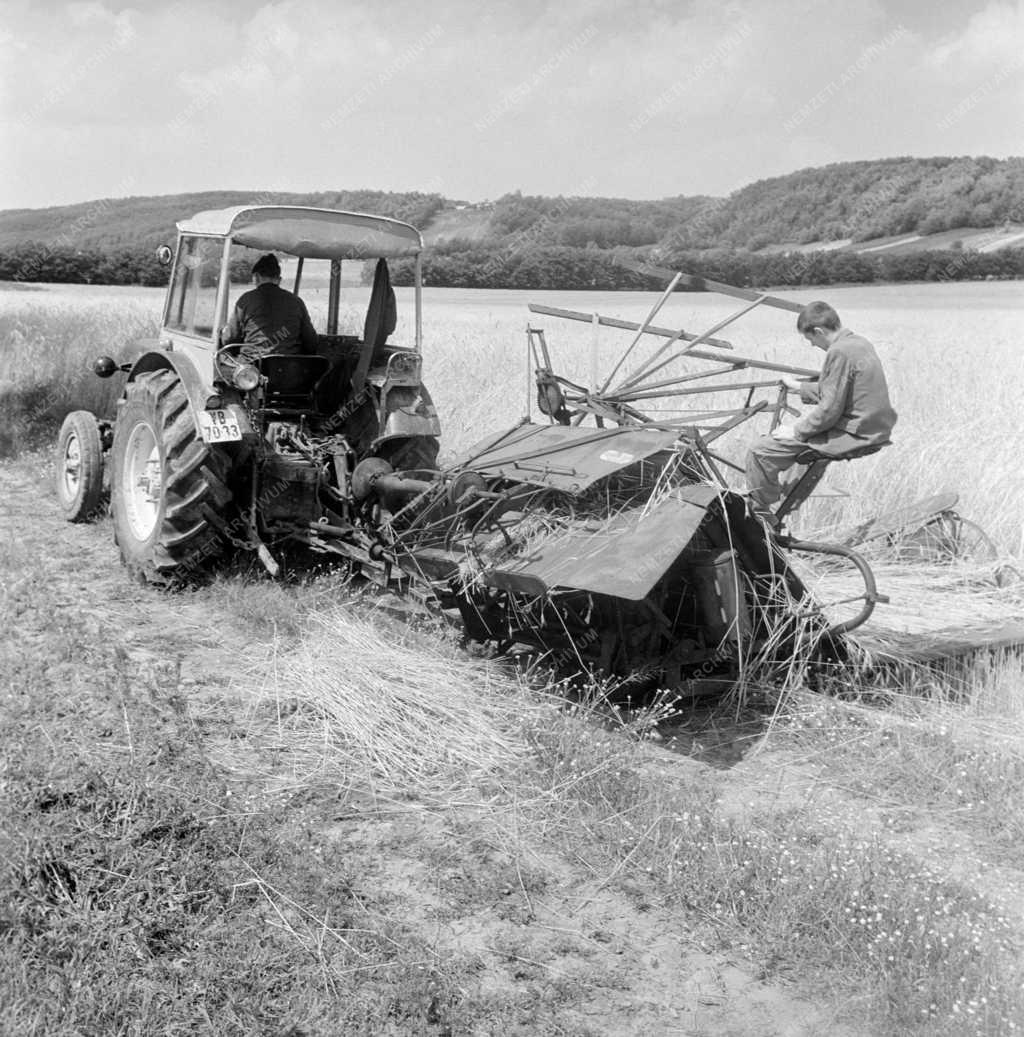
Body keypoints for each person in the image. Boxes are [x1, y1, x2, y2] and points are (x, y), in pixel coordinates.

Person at [744, 300, 897, 523]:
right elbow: (840, 390)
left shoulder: (839, 351)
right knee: (791, 454)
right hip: (872, 428)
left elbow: (829, 409)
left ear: (818, 331)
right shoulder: (858, 343)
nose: (813, 345)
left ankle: (761, 515)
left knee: (759, 451)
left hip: (853, 435)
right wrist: (798, 386)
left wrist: (796, 432)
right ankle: (785, 501)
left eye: (810, 339)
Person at [220, 253, 318, 359]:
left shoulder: (246, 300)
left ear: (256, 277)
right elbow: (311, 342)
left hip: (253, 368)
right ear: (279, 279)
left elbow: (229, 338)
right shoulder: (297, 302)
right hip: (290, 369)